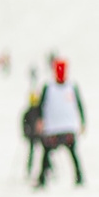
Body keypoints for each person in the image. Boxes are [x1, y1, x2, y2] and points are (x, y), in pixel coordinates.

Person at [34, 55, 85, 186]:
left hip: (63, 127)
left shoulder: (69, 87)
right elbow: (40, 106)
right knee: (51, 153)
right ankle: (43, 179)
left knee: (54, 153)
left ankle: (78, 178)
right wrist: (40, 120)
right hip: (55, 128)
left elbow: (79, 106)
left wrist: (82, 122)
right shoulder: (50, 87)